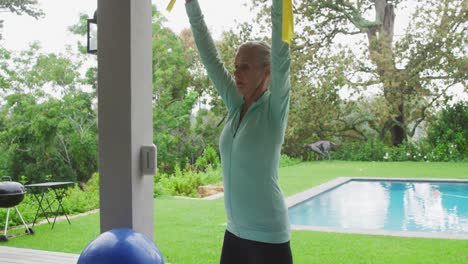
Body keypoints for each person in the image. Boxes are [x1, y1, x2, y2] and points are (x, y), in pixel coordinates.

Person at [184, 0, 293, 263]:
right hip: (234, 233)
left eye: (245, 66)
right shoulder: (235, 106)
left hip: (268, 237)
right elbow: (209, 57)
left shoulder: (274, 110)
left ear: (267, 72)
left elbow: (281, 51)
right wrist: (191, 5)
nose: (236, 72)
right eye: (235, 66)